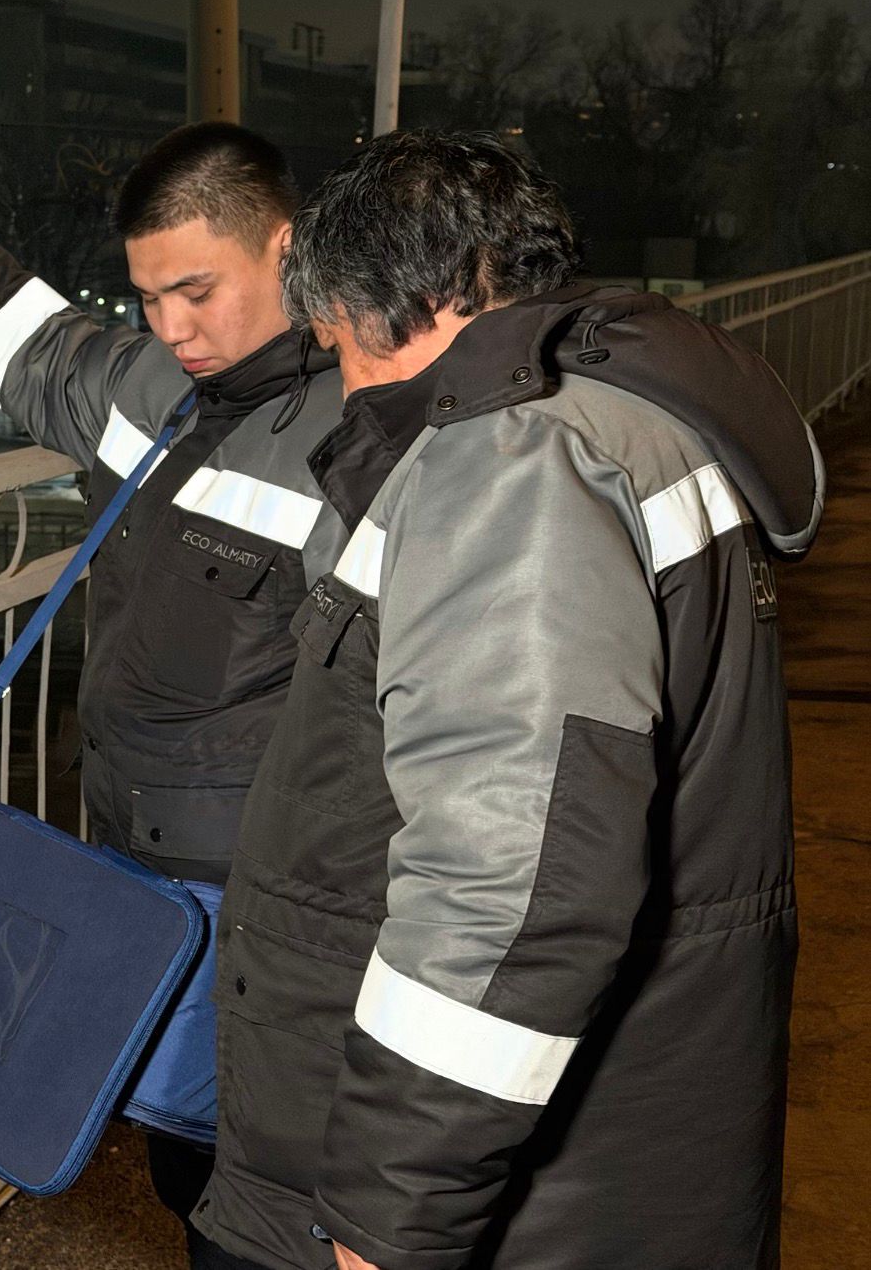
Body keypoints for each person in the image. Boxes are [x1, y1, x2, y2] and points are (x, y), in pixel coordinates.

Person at [194, 130, 824, 1270]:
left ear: (398, 303)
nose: (341, 385)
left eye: (334, 343)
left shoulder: (511, 459)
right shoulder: (630, 419)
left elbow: (511, 890)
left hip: (535, 1202)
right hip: (637, 1145)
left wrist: (389, 1206)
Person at [0, 119, 349, 1267]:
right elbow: (31, 343)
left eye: (197, 292)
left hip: (274, 906)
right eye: (149, 297)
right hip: (138, 875)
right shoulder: (152, 385)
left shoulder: (363, 438)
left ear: (285, 249)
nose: (172, 328)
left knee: (272, 1199)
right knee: (190, 1166)